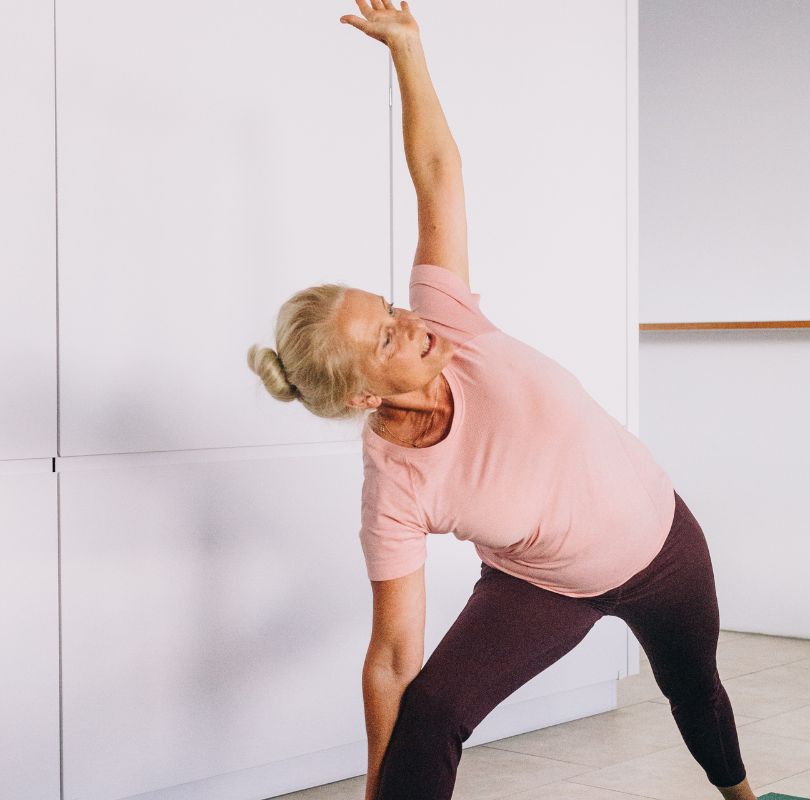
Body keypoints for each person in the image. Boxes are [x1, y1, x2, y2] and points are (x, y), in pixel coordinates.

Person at [247, 2, 755, 798]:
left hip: (664, 544)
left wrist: (408, 53)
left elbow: (438, 173)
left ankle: (741, 797)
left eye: (389, 308)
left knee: (693, 689)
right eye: (385, 338)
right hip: (545, 587)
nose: (408, 321)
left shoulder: (448, 318)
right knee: (432, 709)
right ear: (361, 397)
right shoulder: (395, 488)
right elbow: (392, 660)